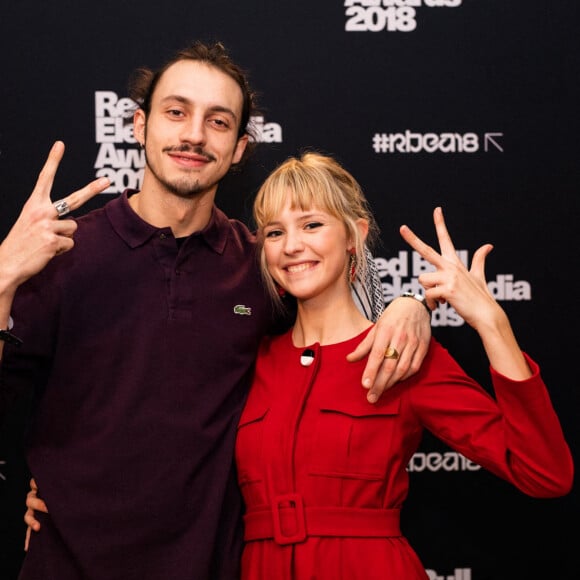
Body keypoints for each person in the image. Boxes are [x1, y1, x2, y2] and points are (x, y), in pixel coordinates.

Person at [0, 42, 432, 579]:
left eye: (218, 121)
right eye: (176, 112)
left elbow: (338, 321)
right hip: (66, 565)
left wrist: (408, 304)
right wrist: (2, 277)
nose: (194, 135)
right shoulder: (62, 253)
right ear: (139, 126)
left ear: (240, 148)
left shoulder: (259, 265)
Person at [233, 152, 573, 579]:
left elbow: (544, 472)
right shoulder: (249, 359)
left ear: (354, 235)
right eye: (274, 232)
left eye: (312, 224)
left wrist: (492, 322)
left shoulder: (404, 353)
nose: (291, 246)